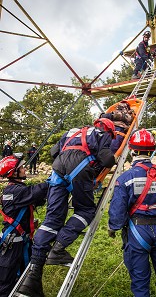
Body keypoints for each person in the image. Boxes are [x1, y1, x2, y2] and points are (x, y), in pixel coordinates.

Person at [16, 118, 116, 297]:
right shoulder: (102, 135)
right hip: (79, 169)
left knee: (51, 220)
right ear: (108, 129)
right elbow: (108, 159)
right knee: (86, 211)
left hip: (57, 171)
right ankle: (58, 248)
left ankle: (34, 275)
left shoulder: (72, 132)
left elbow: (55, 151)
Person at [108, 128, 156, 297]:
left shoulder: (126, 178)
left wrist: (113, 227)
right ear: (152, 150)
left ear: (132, 151)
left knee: (140, 280)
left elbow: (118, 210)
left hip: (137, 231)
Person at [0, 154, 48, 297]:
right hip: (12, 244)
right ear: (13, 173)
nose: (24, 169)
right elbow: (36, 192)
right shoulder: (13, 192)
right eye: (21, 167)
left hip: (22, 242)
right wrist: (54, 180)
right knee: (5, 281)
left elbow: (37, 198)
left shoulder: (19, 189)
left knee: (29, 275)